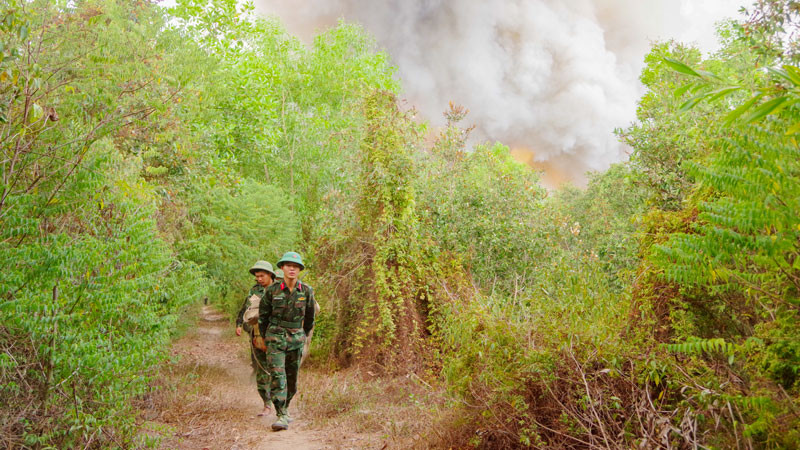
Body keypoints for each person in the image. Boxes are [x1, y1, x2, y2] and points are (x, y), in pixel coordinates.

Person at [255, 251, 316, 431]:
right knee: (277, 376)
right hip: (275, 338)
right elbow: (263, 317)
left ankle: (286, 407)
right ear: (282, 268)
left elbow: (310, 318)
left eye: (295, 267)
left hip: (296, 338)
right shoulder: (272, 291)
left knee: (292, 378)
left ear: (299, 270)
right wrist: (266, 338)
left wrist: (302, 335)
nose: (292, 269)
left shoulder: (306, 291)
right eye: (288, 265)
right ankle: (280, 414)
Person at [235, 260, 276, 416]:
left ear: (270, 275)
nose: (259, 279)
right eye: (257, 276)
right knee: (260, 370)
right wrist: (240, 324)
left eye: (262, 276)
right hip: (257, 337)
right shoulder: (254, 292)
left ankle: (280, 404)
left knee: (277, 371)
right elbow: (246, 310)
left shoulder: (281, 290)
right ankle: (266, 404)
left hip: (276, 338)